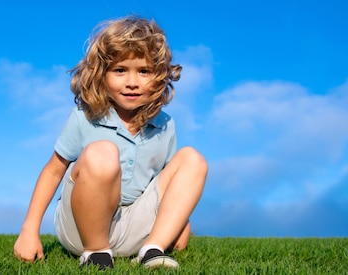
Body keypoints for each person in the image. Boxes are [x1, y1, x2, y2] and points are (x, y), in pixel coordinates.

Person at [13, 15, 207, 270]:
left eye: (144, 71)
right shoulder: (85, 118)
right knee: (103, 152)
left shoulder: (165, 125)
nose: (132, 82)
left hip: (133, 227)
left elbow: (167, 183)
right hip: (81, 231)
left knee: (192, 158)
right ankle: (96, 253)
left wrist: (180, 222)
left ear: (158, 76)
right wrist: (29, 230)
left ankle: (153, 250)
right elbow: (53, 171)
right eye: (120, 70)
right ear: (101, 74)